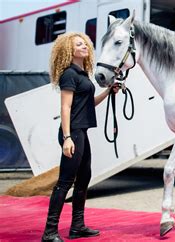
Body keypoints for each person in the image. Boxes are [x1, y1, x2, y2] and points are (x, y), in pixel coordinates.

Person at [41, 32, 118, 242]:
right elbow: (65, 107)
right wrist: (67, 138)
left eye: (85, 43)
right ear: (69, 50)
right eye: (79, 44)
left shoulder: (82, 74)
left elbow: (87, 104)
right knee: (65, 182)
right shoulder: (69, 74)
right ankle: (49, 232)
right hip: (72, 133)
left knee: (84, 179)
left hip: (80, 132)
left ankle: (77, 227)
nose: (84, 46)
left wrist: (108, 92)